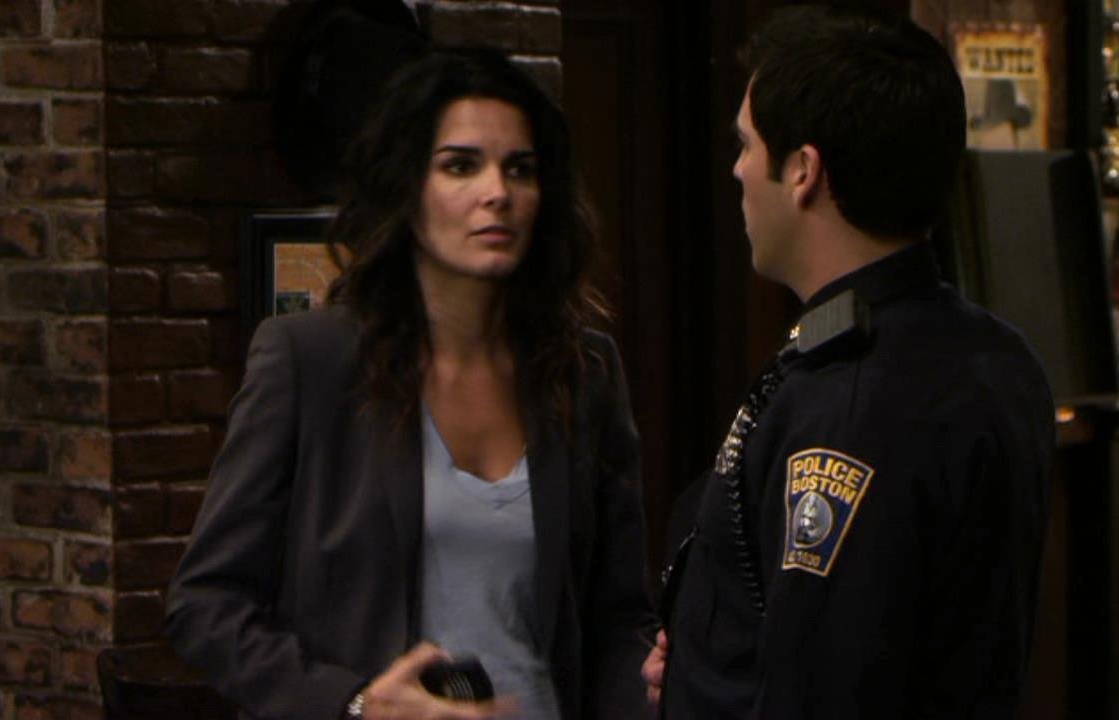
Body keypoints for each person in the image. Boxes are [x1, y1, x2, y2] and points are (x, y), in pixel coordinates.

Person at [165, 47, 654, 720]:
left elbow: (620, 619)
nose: (497, 192)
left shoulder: (584, 371)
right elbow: (204, 605)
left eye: (520, 169)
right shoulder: (310, 362)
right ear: (408, 188)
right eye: (460, 165)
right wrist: (355, 704)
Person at [642, 5, 1055, 718]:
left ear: (803, 171)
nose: (737, 169)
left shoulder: (851, 404)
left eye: (747, 145)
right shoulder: (996, 354)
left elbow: (825, 684)